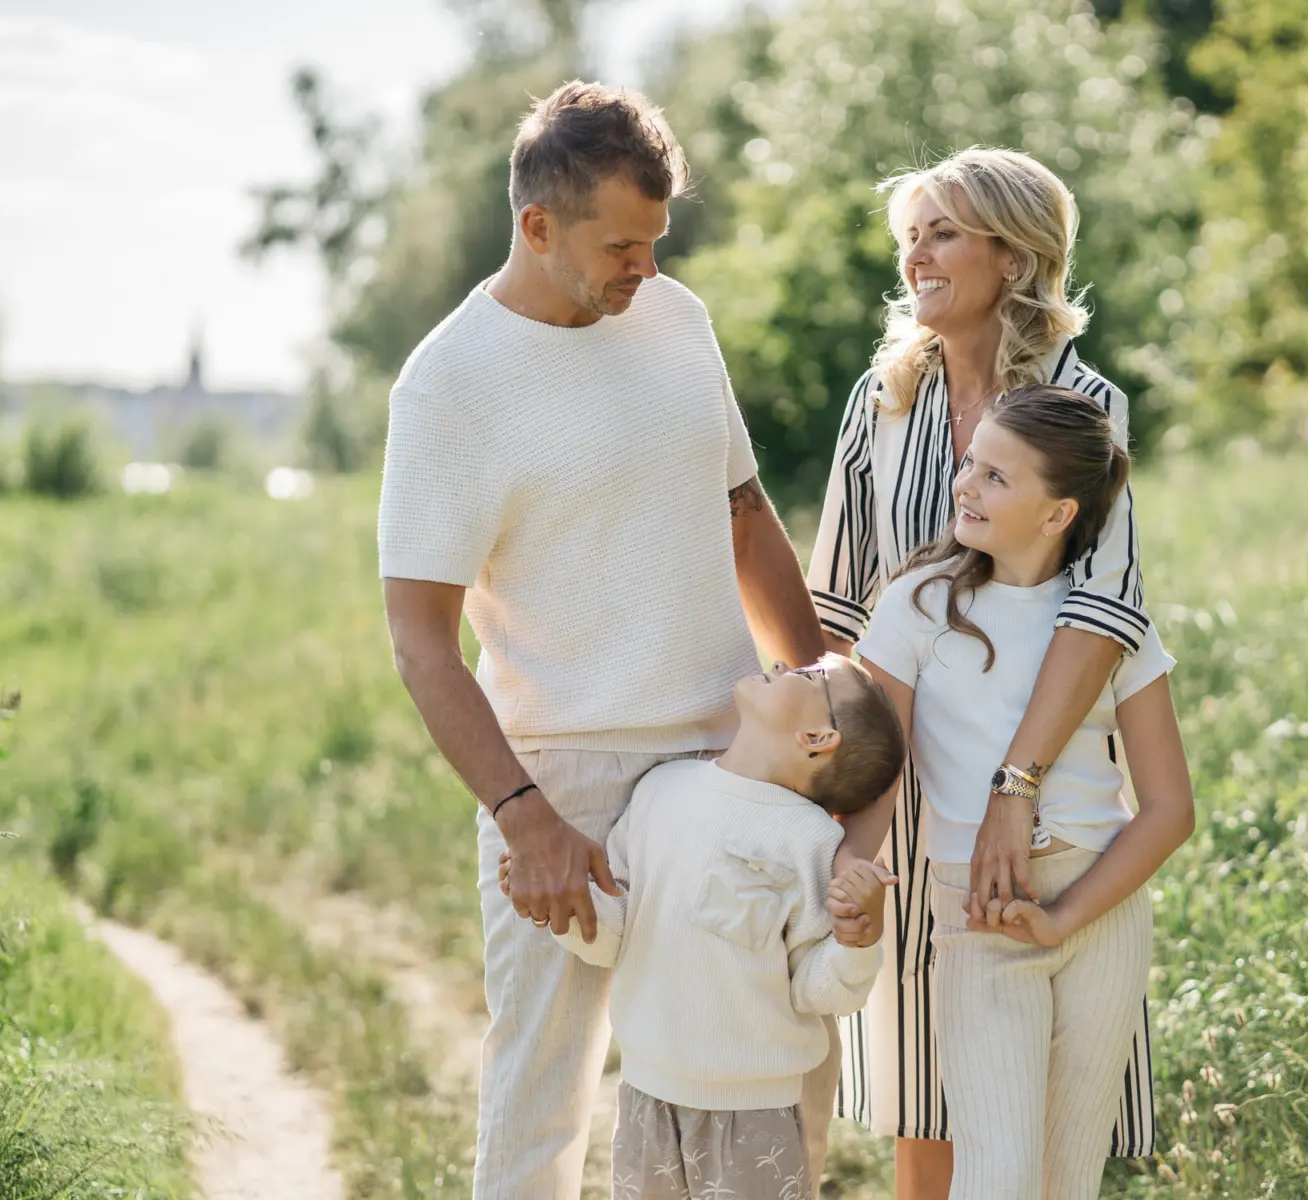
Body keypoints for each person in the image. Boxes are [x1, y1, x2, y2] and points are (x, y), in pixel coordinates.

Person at [376, 81, 829, 1200]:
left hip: (732, 759)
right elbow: (420, 638)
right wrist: (521, 817)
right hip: (560, 783)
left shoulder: (676, 319)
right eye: (622, 244)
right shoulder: (449, 387)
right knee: (543, 1103)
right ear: (538, 227)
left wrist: (823, 689)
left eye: (657, 240)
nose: (646, 267)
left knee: (773, 1071)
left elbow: (742, 510)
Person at [809, 147, 1161, 1197]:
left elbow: (1106, 610)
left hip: (1044, 801)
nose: (916, 252)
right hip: (904, 792)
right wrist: (821, 798)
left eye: (944, 229)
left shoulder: (1084, 403)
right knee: (924, 1088)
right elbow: (838, 606)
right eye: (910, 232)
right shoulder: (884, 399)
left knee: (1039, 1129)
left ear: (1016, 254)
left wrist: (1018, 785)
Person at [854, 383, 1196, 1199]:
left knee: (1067, 1178)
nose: (966, 484)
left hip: (1100, 913)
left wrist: (1067, 918)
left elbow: (1170, 811)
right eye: (971, 464)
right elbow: (877, 772)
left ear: (1057, 515)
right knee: (997, 1174)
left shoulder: (1111, 624)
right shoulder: (917, 607)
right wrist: (846, 870)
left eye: (998, 477)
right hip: (977, 920)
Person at [498, 656, 906, 1200]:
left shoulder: (811, 844)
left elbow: (816, 989)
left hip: (757, 1115)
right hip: (648, 1098)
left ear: (816, 737)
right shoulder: (660, 791)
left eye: (809, 676)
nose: (785, 661)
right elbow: (618, 937)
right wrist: (565, 906)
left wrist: (860, 941)